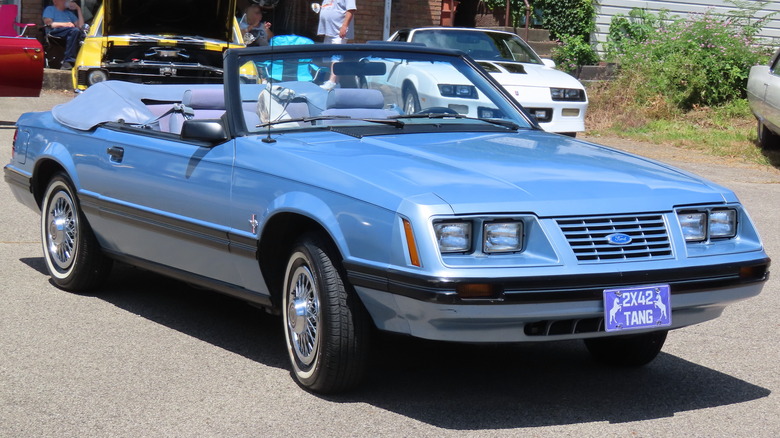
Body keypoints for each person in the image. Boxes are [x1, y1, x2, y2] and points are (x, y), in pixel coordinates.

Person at [317, 0, 356, 90]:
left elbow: (351, 10)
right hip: (329, 31)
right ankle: (336, 82)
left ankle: (332, 81)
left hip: (339, 31)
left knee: (336, 56)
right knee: (329, 56)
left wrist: (344, 26)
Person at [42, 0, 85, 70]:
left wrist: (78, 9)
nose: (66, 1)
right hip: (55, 31)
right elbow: (49, 24)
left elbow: (81, 26)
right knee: (75, 31)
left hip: (70, 32)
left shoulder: (69, 13)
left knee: (82, 34)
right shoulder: (50, 9)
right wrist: (66, 24)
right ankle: (69, 61)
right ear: (55, 1)